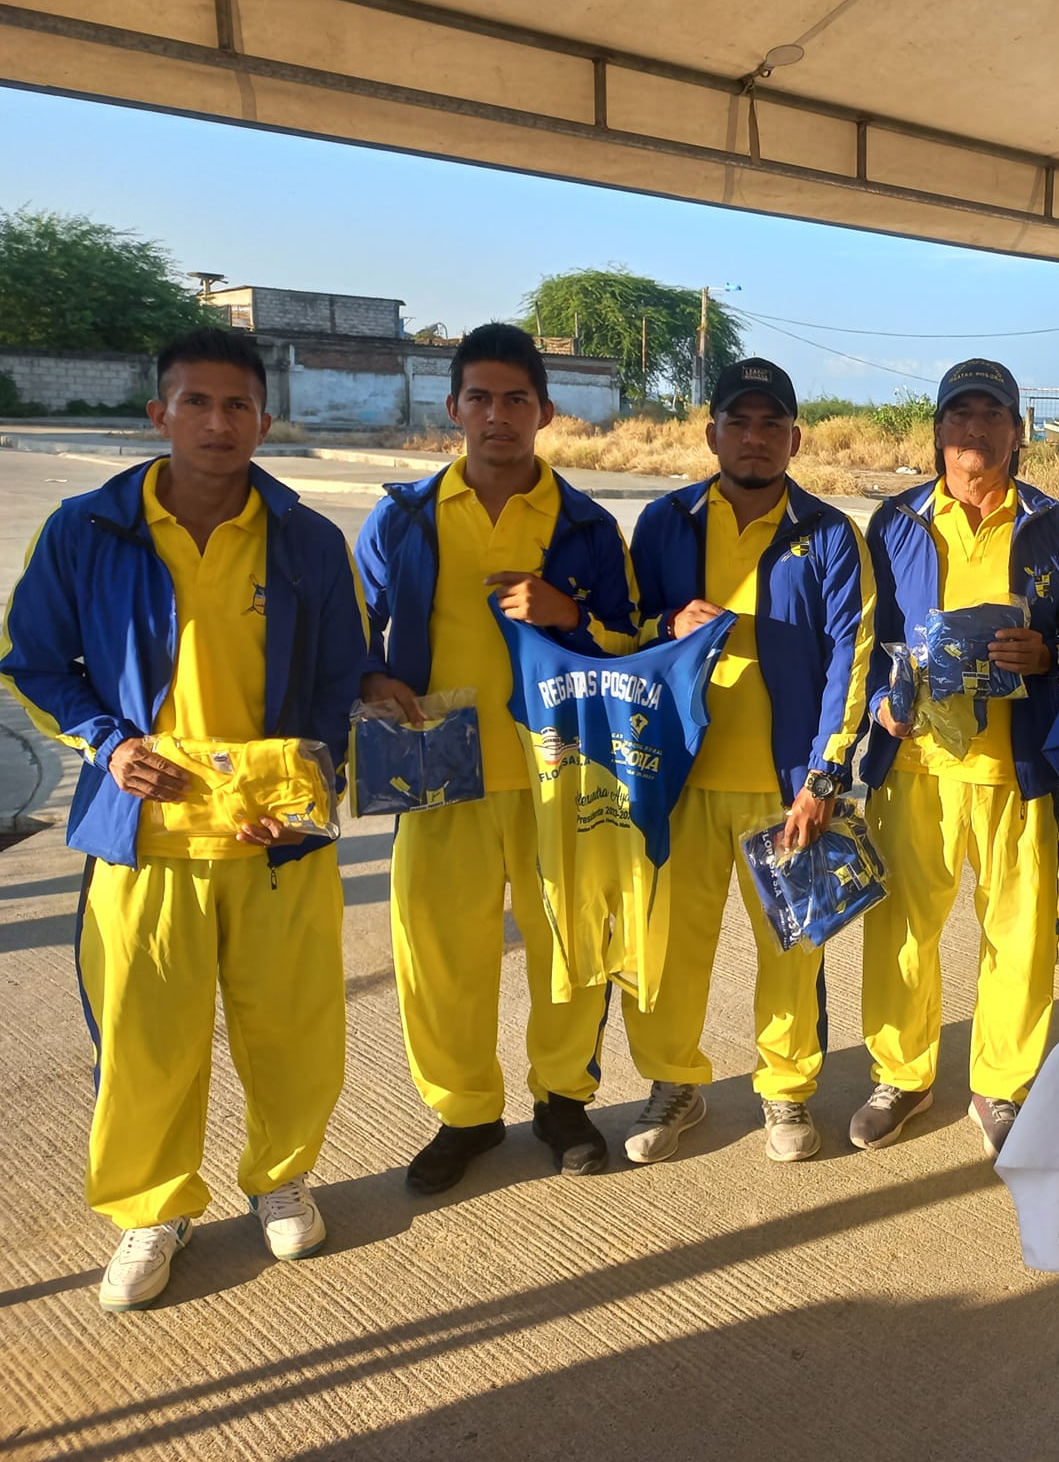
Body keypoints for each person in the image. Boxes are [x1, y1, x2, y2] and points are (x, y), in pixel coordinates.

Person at [0, 328, 365, 1311]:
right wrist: (106, 744)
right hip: (142, 838)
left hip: (275, 841)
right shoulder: (85, 530)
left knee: (292, 1031)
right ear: (158, 413)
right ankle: (153, 1207)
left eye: (237, 404)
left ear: (264, 422)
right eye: (195, 402)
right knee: (145, 1040)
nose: (217, 422)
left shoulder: (306, 540)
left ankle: (280, 1178)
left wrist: (305, 795)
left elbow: (339, 680)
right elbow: (34, 663)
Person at [356, 323, 641, 1193]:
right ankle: (465, 1112)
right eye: (479, 397)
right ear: (452, 407)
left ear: (546, 412)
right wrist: (370, 676)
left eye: (517, 399)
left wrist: (568, 614)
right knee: (440, 953)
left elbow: (631, 641)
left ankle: (563, 1099)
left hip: (560, 769)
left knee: (570, 944)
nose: (498, 415)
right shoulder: (404, 517)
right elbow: (353, 628)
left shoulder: (585, 525)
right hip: (435, 770)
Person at [625, 358, 875, 1164]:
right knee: (669, 948)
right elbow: (622, 629)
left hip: (785, 785)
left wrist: (823, 777)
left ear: (796, 440)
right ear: (712, 433)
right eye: (740, 422)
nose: (756, 438)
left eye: (773, 424)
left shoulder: (829, 535)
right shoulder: (664, 523)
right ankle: (673, 1083)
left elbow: (851, 660)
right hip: (679, 779)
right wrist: (668, 625)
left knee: (792, 949)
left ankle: (786, 1089)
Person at [856, 358, 1059, 1158]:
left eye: (992, 415)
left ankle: (1002, 1085)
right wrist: (877, 702)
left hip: (1016, 766)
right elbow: (859, 638)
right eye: (959, 415)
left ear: (1018, 432)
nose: (975, 430)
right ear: (937, 432)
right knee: (901, 930)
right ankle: (902, 1075)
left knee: (1019, 935)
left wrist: (1051, 653)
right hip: (915, 765)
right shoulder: (894, 523)